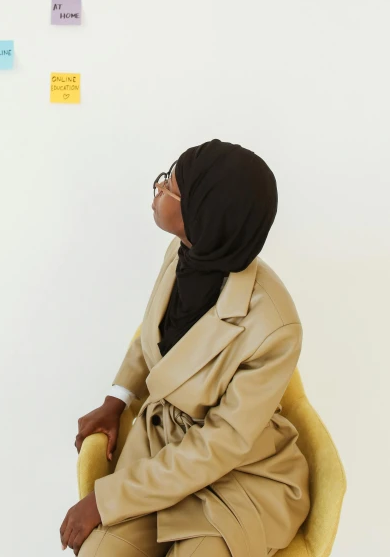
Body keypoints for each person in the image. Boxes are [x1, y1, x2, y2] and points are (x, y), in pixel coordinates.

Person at [60, 139, 310, 556]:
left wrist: (107, 499)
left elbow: (221, 443)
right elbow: (152, 335)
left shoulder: (275, 326)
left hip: (240, 478)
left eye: (170, 186)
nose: (158, 190)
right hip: (159, 455)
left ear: (205, 214)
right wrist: (116, 398)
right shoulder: (182, 252)